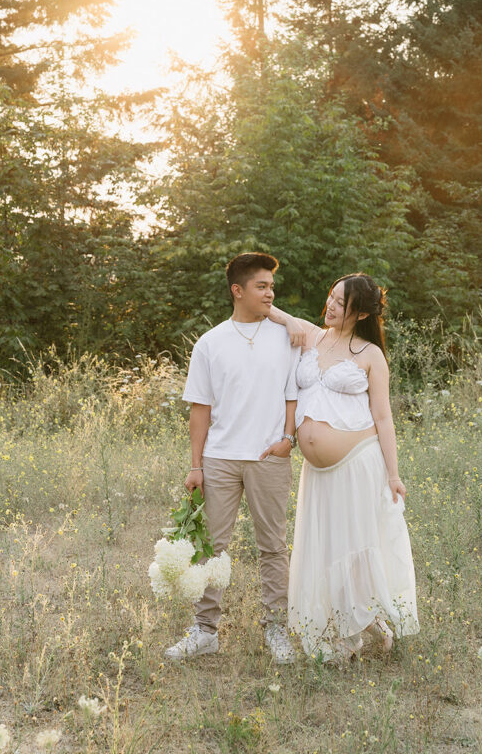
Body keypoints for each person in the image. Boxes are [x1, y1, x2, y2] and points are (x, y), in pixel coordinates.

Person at [269, 273, 419, 661]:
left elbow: (383, 417)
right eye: (331, 297)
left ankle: (368, 620)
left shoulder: (370, 354)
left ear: (361, 311)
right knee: (325, 548)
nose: (331, 305)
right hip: (317, 473)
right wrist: (287, 320)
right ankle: (338, 630)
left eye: (341, 301)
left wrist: (393, 474)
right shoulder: (313, 337)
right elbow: (270, 311)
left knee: (353, 548)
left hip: (358, 463)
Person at [165, 252, 300, 664]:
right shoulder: (211, 343)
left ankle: (276, 629)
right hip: (221, 457)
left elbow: (292, 394)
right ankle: (205, 630)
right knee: (211, 547)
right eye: (261, 286)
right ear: (237, 291)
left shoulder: (286, 335)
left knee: (273, 546)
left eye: (272, 286)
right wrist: (196, 465)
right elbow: (200, 409)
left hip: (269, 456)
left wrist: (288, 439)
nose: (270, 293)